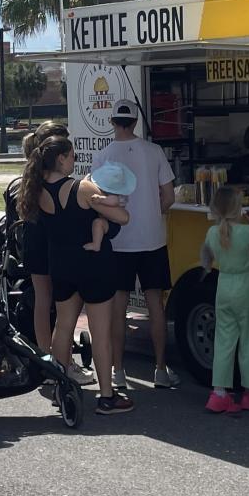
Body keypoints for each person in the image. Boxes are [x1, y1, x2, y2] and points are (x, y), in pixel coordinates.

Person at [18, 135, 135, 415]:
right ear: (61, 159)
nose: (75, 160)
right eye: (72, 156)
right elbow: (122, 218)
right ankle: (106, 396)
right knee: (100, 332)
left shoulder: (37, 191)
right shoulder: (81, 187)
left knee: (63, 327)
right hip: (93, 266)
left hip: (61, 266)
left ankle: (62, 388)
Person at [92, 99, 180, 391]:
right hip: (152, 239)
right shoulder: (154, 151)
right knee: (156, 305)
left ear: (112, 122)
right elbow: (169, 196)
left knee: (119, 308)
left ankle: (118, 370)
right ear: (135, 122)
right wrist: (153, 213)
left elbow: (97, 200)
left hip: (119, 240)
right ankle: (160, 369)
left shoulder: (102, 155)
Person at [4, 121, 95, 386]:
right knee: (62, 306)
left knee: (43, 302)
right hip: (51, 243)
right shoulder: (53, 179)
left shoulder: (31, 176)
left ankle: (46, 360)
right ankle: (60, 363)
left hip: (34, 243)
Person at [201, 186, 249, 414]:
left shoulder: (212, 233)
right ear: (238, 208)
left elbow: (208, 257)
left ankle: (219, 393)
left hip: (224, 285)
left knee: (224, 340)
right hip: (246, 285)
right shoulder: (247, 232)